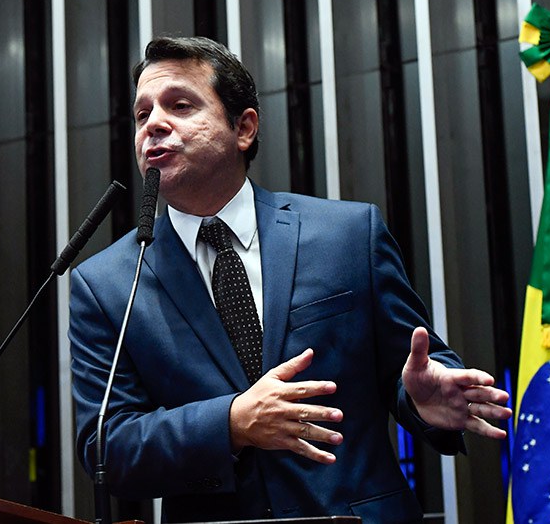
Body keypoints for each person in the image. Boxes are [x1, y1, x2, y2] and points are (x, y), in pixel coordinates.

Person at [68, 36, 512, 523]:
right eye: (142, 114)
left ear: (244, 127)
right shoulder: (108, 283)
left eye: (180, 104)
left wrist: (422, 399)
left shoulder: (347, 235)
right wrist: (232, 423)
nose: (154, 124)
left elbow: (415, 369)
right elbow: (106, 447)